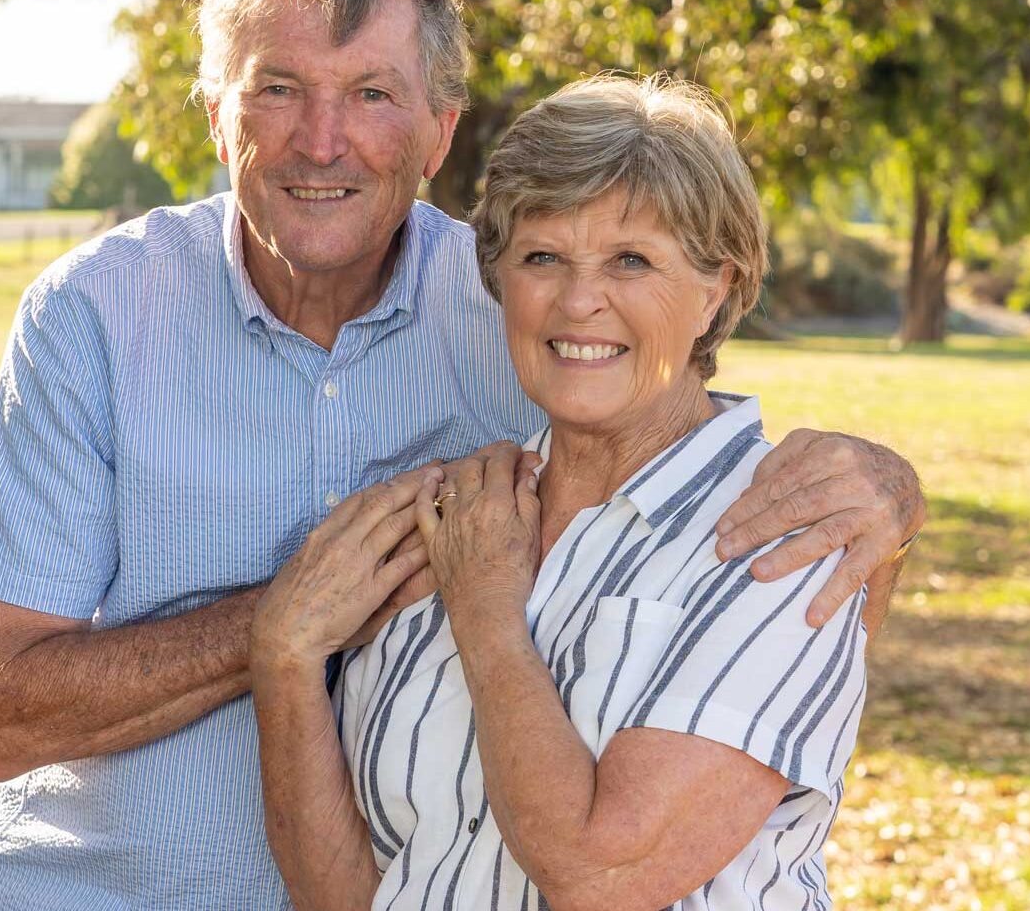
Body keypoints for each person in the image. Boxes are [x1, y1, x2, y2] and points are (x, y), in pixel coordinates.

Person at [0, 0, 922, 909]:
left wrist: (888, 500)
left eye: (371, 95)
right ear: (213, 114)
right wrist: (288, 622)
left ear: (436, 132)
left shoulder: (514, 320)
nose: (320, 140)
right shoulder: (93, 315)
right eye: (277, 88)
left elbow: (721, 506)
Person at [251, 74, 867, 910]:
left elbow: (602, 875)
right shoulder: (458, 507)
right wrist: (286, 662)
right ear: (501, 279)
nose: (580, 302)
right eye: (542, 257)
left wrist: (488, 612)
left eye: (631, 260)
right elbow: (351, 893)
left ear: (715, 288)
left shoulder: (785, 536)